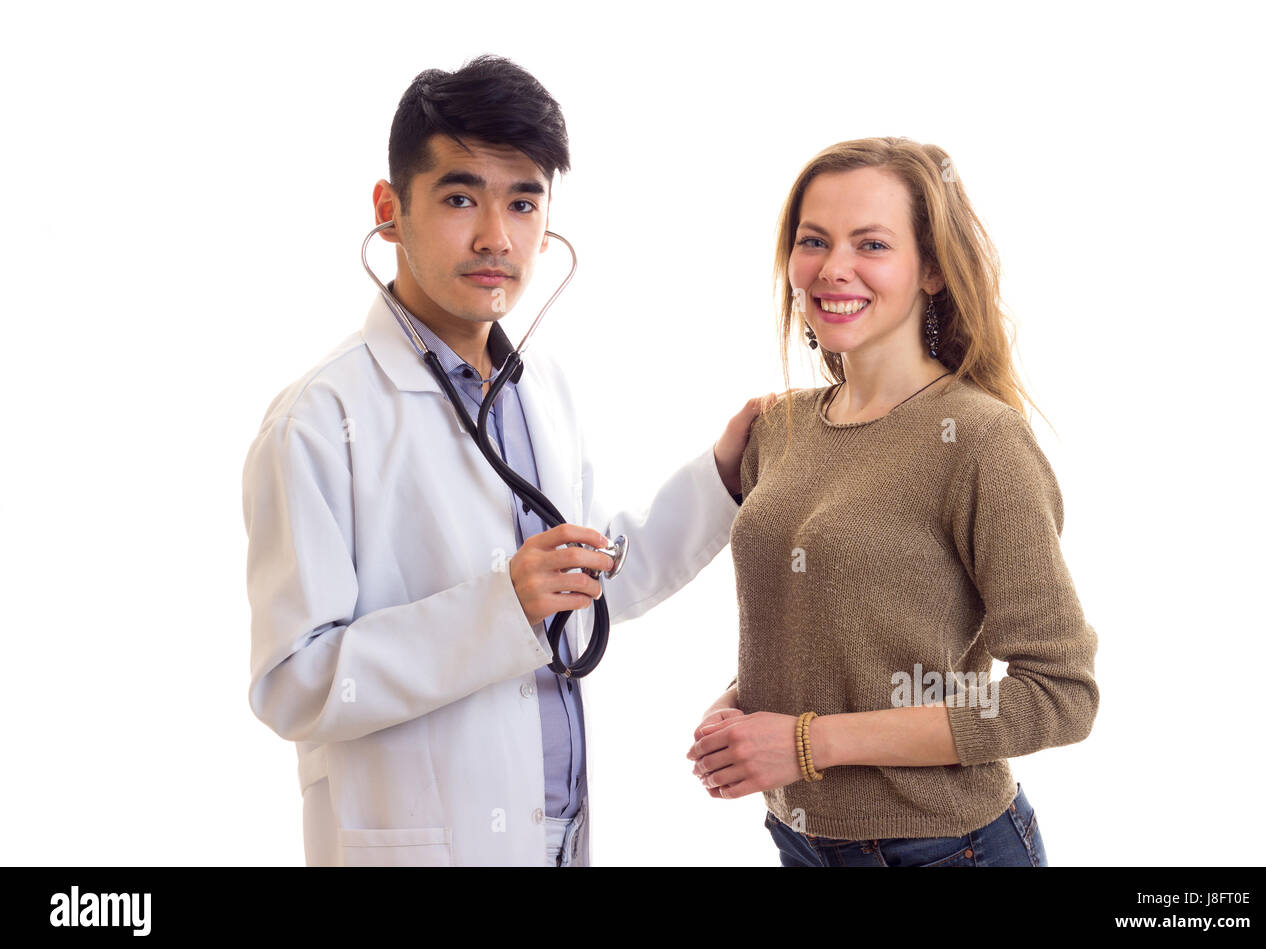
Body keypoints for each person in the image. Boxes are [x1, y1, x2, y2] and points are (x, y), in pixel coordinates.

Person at [242, 55, 761, 866]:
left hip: (553, 837)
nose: (496, 237)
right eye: (459, 198)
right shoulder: (320, 418)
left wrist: (721, 482)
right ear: (389, 211)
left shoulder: (542, 388)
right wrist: (498, 610)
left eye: (523, 202)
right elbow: (294, 683)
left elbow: (579, 587)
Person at [685, 137, 1100, 867]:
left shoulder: (980, 441)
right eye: (813, 241)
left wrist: (807, 744)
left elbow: (1060, 695)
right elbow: (849, 631)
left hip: (946, 849)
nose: (833, 268)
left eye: (870, 243)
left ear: (932, 268)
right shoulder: (777, 428)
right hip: (801, 841)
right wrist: (748, 699)